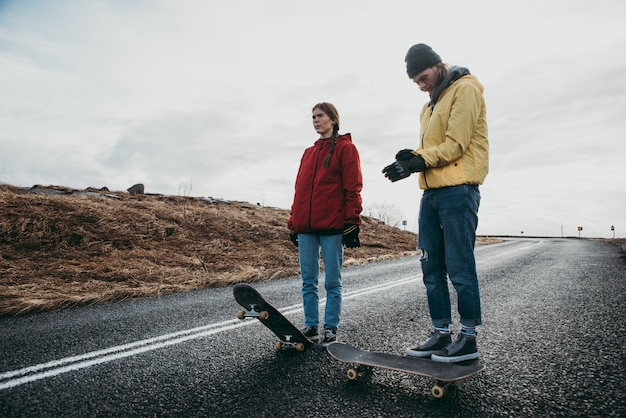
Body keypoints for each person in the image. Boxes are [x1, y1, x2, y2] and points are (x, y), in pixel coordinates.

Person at [382, 43, 489, 362]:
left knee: (459, 264)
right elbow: (432, 149)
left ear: (438, 65)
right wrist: (411, 157)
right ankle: (441, 333)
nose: (421, 84)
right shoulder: (429, 106)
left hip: (459, 190)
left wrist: (417, 161)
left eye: (423, 76)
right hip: (430, 193)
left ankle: (467, 339)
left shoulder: (465, 89)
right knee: (431, 266)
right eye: (415, 81)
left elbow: (455, 145)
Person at [288, 102, 363, 346]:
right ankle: (311, 325)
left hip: (332, 226)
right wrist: (293, 221)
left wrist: (352, 221)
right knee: (308, 281)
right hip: (307, 228)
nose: (315, 120)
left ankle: (330, 327)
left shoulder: (346, 149)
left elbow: (353, 187)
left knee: (332, 281)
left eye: (320, 116)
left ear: (333, 119)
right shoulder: (308, 153)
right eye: (313, 117)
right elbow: (299, 190)